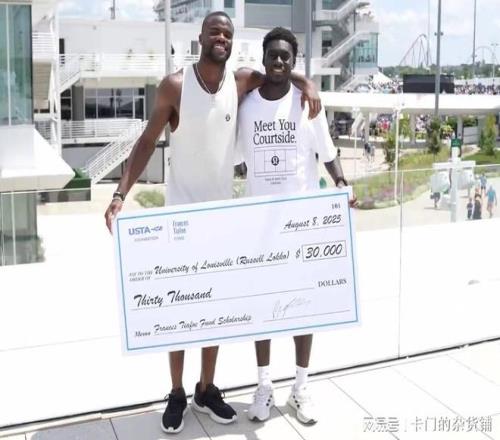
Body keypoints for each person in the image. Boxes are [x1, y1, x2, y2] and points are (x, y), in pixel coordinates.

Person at [103, 12, 321, 434]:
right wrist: (119, 195)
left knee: (214, 311)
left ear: (231, 42)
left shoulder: (240, 82)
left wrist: (307, 83)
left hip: (221, 219)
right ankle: (177, 393)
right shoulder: (175, 85)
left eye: (227, 33)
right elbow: (147, 140)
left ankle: (205, 389)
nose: (221, 37)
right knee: (179, 309)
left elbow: (278, 74)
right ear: (200, 38)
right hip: (181, 218)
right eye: (214, 32)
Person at [235, 27, 356, 426]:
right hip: (259, 228)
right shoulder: (247, 107)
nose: (279, 61)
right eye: (273, 54)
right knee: (263, 309)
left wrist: (342, 183)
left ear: (294, 61)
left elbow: (328, 153)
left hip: (301, 226)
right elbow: (229, 156)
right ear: (264, 58)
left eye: (286, 56)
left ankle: (301, 387)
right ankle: (264, 386)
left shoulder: (307, 105)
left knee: (304, 309)